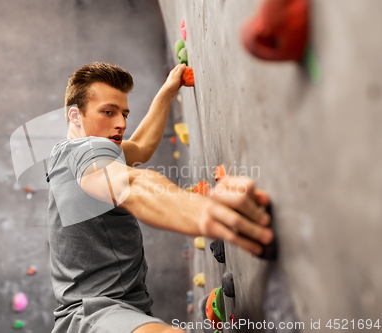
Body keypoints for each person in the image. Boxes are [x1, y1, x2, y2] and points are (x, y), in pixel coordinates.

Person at [46, 62, 274, 333]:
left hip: (120, 308)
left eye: (124, 113)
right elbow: (132, 183)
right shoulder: (83, 151)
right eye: (108, 112)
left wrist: (168, 90)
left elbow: (141, 147)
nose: (121, 123)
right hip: (93, 315)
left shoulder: (84, 154)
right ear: (75, 116)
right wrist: (202, 210)